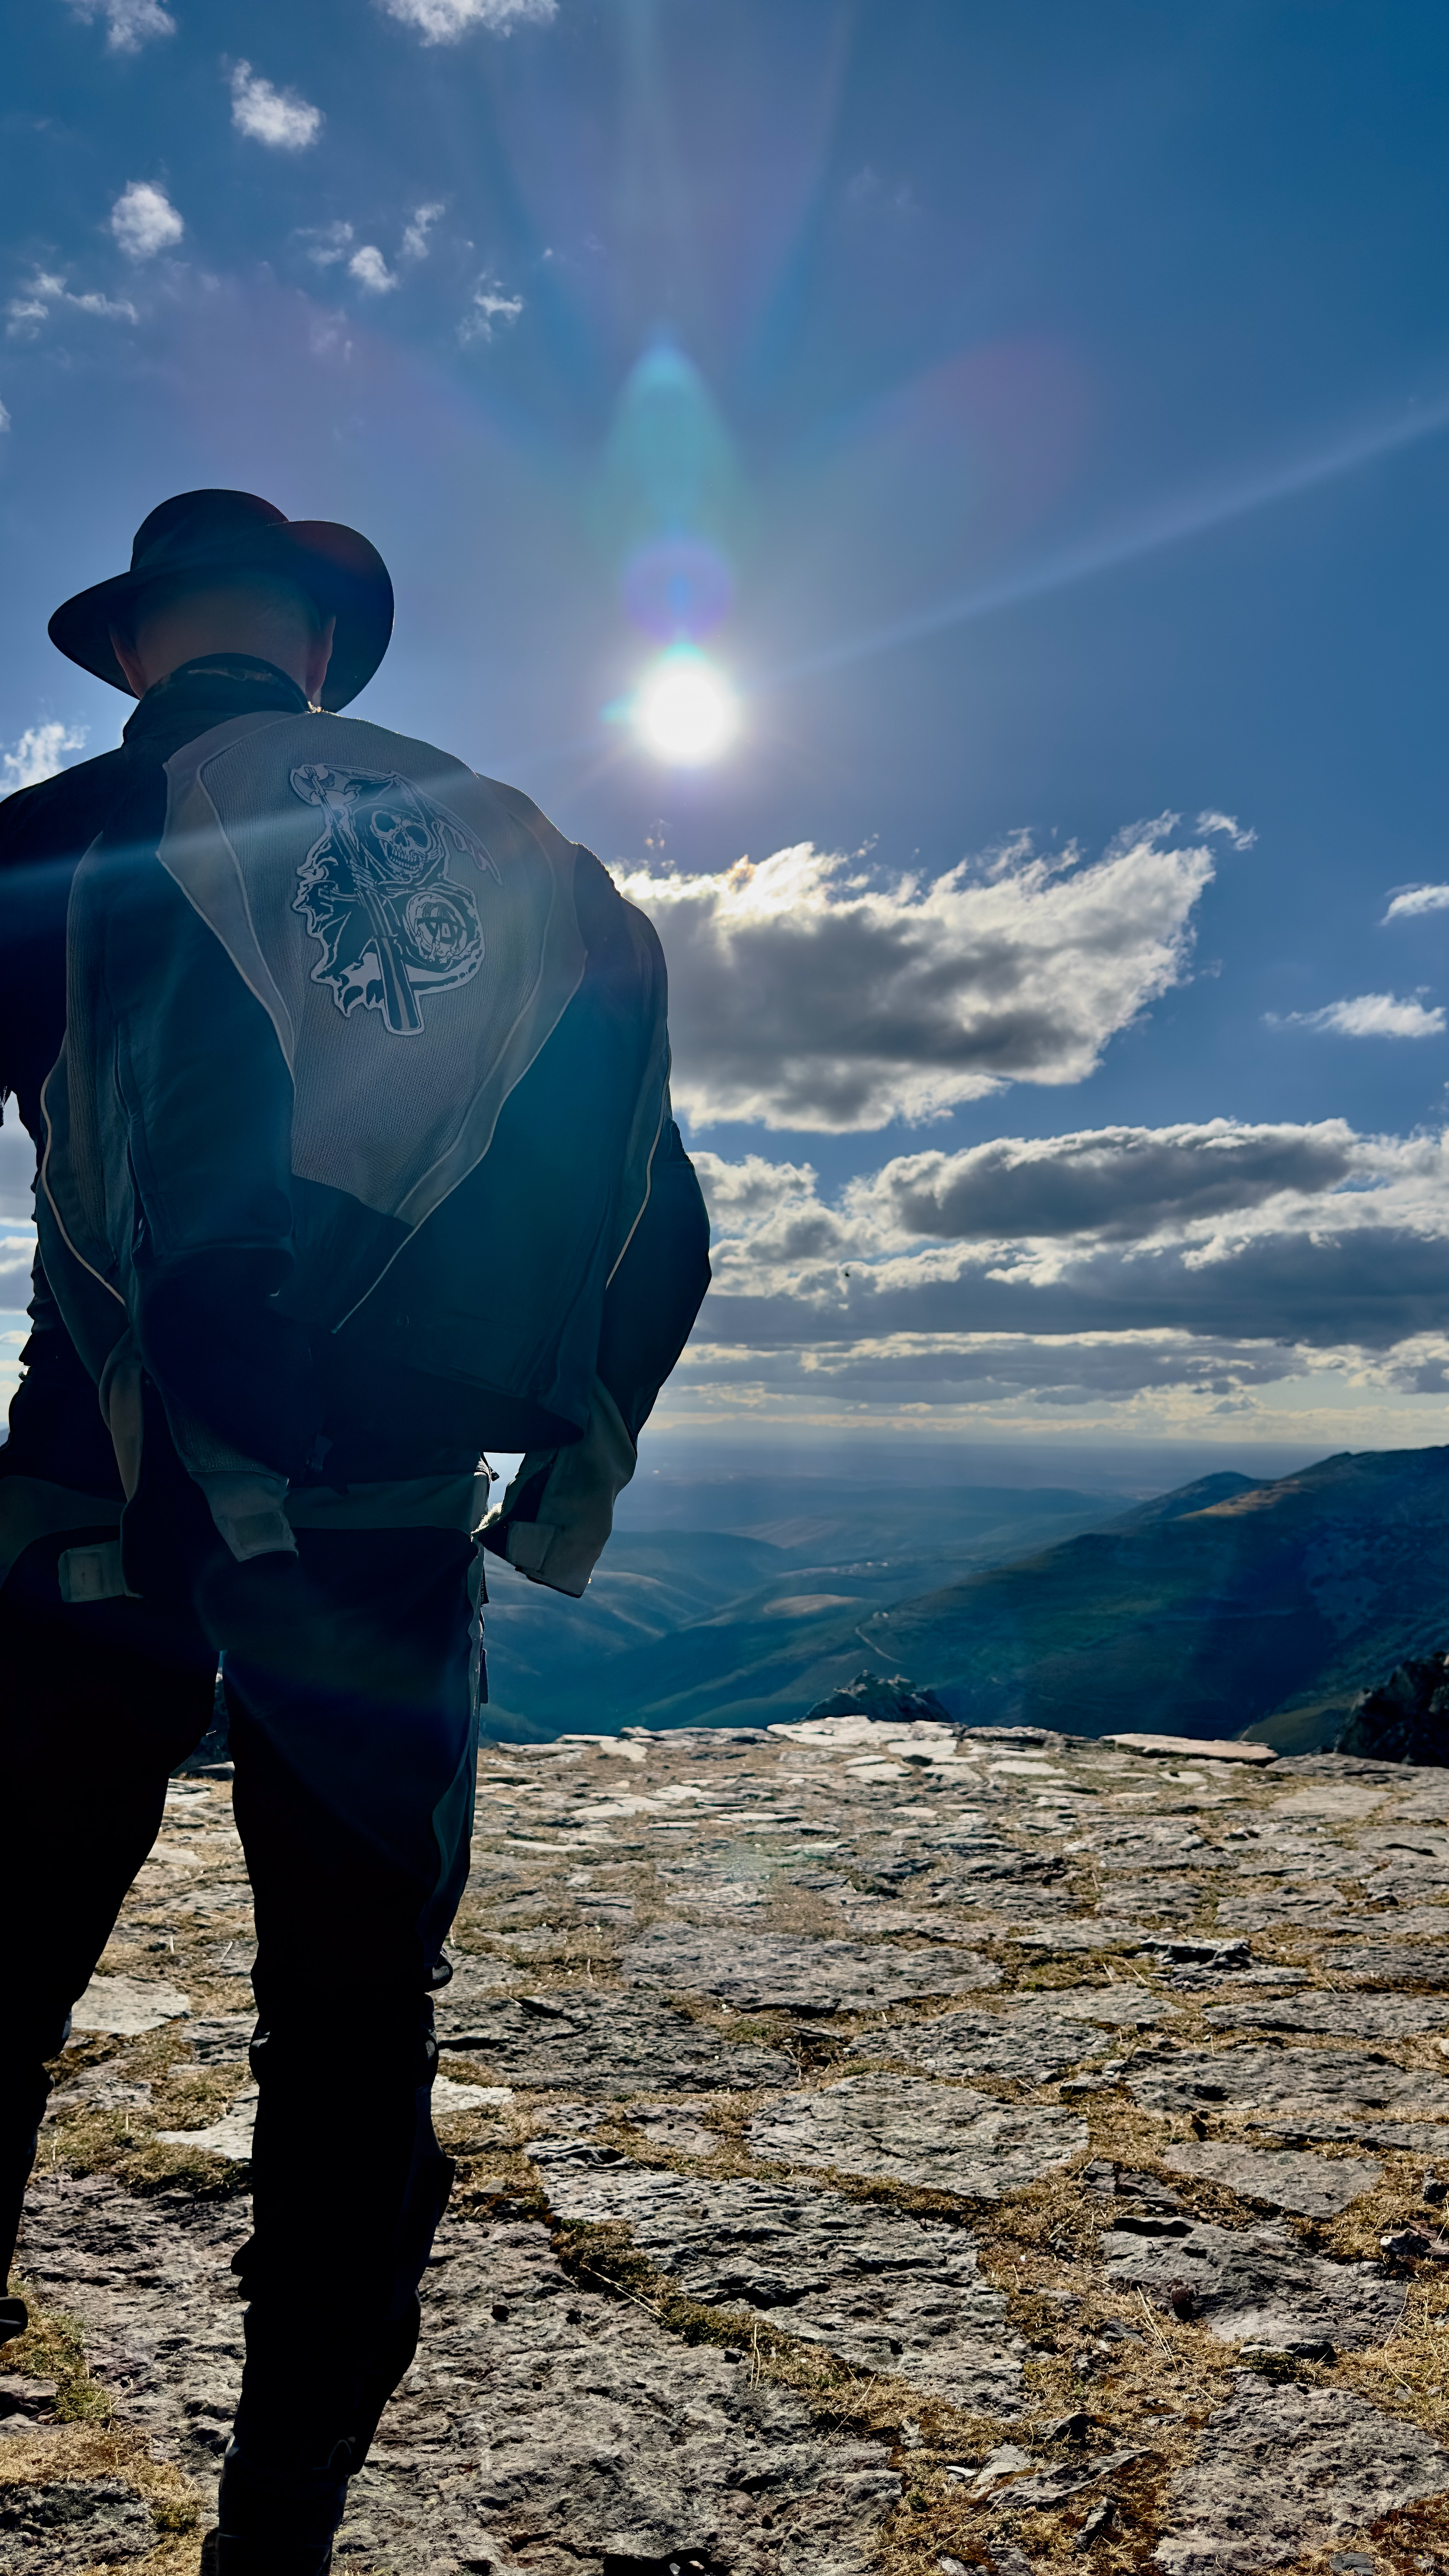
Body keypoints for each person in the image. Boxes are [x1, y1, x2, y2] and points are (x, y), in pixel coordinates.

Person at [0, 489, 711, 2573]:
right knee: (351, 2020)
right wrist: (565, 1470)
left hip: (90, 1503)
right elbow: (659, 1215)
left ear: (141, 648)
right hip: (387, 1528)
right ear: (324, 646)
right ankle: (282, 2523)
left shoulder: (69, 836)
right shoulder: (533, 860)